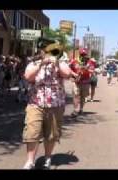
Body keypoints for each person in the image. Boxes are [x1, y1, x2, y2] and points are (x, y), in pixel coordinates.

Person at [22, 40, 73, 169]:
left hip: (55, 105)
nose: (47, 52)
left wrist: (57, 62)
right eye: (44, 50)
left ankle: (48, 157)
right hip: (35, 103)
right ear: (41, 51)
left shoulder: (61, 63)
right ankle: (30, 161)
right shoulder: (33, 63)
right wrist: (40, 64)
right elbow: (28, 76)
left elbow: (67, 74)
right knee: (32, 133)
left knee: (51, 134)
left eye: (50, 50)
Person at [69, 48, 93, 117]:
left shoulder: (89, 62)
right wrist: (73, 75)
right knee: (76, 96)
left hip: (85, 82)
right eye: (82, 54)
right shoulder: (74, 61)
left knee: (83, 97)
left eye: (84, 54)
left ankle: (81, 109)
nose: (83, 56)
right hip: (77, 82)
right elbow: (69, 69)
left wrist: (86, 69)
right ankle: (75, 110)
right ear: (79, 54)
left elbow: (93, 71)